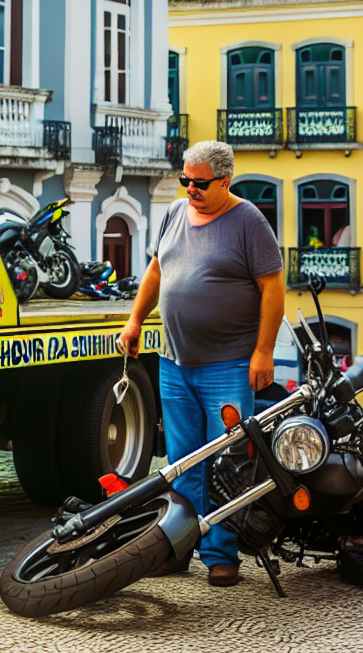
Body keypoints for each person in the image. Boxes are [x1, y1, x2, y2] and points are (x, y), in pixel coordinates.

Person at [119, 139, 285, 587]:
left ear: (225, 181)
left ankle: (220, 555)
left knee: (228, 464)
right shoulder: (174, 213)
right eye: (185, 180)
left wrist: (263, 352)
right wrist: (135, 319)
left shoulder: (248, 220)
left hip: (228, 367)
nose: (190, 188)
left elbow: (273, 288)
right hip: (175, 363)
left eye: (200, 183)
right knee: (183, 463)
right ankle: (176, 550)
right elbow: (156, 270)